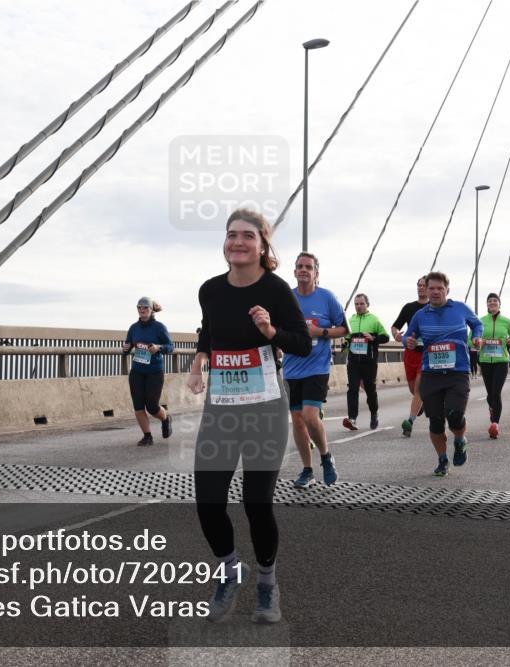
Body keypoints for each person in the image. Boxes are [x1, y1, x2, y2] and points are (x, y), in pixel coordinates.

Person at [187, 208, 311, 624]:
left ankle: (266, 584)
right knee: (208, 502)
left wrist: (271, 332)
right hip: (221, 407)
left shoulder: (276, 290)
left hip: (265, 408)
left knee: (256, 502)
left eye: (247, 236)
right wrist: (199, 359)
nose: (237, 242)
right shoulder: (210, 289)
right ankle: (228, 571)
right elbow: (209, 329)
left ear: (262, 245)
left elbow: (303, 345)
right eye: (231, 235)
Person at [403, 271, 483, 477]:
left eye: (440, 288)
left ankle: (459, 441)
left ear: (448, 290)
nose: (436, 292)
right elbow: (408, 336)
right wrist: (408, 342)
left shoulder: (460, 308)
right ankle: (442, 459)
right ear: (426, 290)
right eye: (432, 288)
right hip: (431, 374)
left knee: (455, 416)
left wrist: (477, 337)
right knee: (436, 422)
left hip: (457, 372)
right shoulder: (420, 316)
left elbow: (477, 324)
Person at [284, 252, 348, 488]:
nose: (303, 270)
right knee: (298, 421)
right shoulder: (287, 298)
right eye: (300, 266)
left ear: (316, 273)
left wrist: (319, 332)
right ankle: (307, 469)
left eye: (308, 267)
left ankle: (326, 456)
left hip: (317, 367)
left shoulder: (327, 298)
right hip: (292, 368)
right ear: (294, 272)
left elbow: (344, 329)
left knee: (310, 416)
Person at [123, 297, 174, 446]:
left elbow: (170, 347)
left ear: (151, 310)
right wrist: (126, 349)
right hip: (137, 371)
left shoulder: (159, 327)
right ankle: (147, 436)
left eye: (145, 307)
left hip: (154, 371)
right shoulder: (134, 328)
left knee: (152, 406)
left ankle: (166, 418)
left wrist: (159, 347)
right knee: (138, 406)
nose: (142, 309)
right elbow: (128, 345)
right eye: (139, 307)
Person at [343, 293, 390, 430]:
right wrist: (345, 344)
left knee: (370, 390)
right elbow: (347, 337)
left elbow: (385, 337)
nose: (358, 306)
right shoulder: (351, 320)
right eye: (356, 304)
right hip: (353, 362)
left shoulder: (374, 320)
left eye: (361, 304)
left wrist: (373, 337)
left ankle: (374, 413)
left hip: (368, 362)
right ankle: (352, 418)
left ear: (367, 304)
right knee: (352, 389)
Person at [391, 276, 428, 437]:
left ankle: (410, 422)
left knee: (419, 388)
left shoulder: (433, 307)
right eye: (418, 285)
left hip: (426, 354)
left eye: (423, 285)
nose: (420, 288)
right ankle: (422, 403)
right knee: (413, 389)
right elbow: (395, 326)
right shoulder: (409, 307)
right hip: (410, 353)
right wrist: (397, 335)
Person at [477, 293, 510, 439]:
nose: (492, 303)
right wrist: (477, 342)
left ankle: (495, 424)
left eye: (495, 300)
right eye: (490, 301)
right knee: (490, 394)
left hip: (502, 361)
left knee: (496, 393)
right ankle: (492, 409)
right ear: (487, 305)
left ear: (499, 304)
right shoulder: (480, 321)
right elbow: (471, 339)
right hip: (485, 361)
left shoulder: (506, 321)